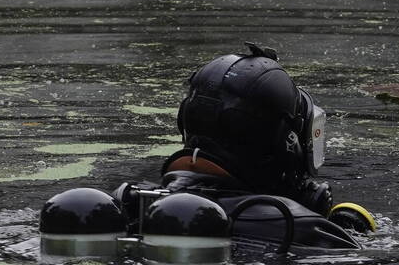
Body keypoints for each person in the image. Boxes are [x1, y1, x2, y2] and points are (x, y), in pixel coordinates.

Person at [115, 43, 375, 252]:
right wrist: (351, 229)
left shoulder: (128, 204)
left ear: (185, 122)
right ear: (286, 143)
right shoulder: (301, 228)